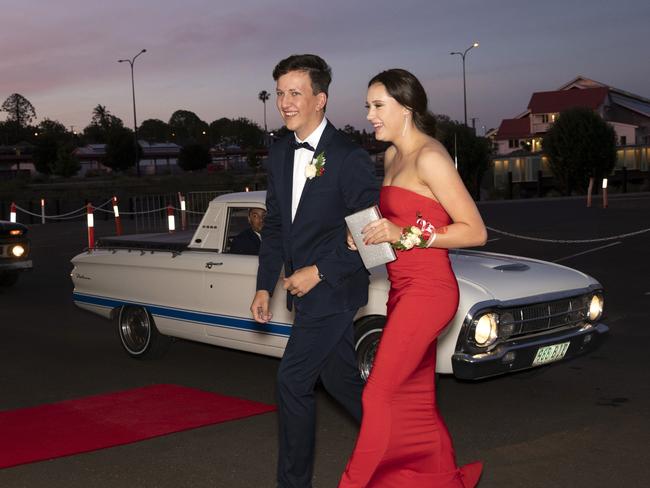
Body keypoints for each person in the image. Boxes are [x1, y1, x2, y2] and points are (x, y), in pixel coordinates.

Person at [338, 69, 487, 487]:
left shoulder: (430, 157)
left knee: (377, 392)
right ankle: (439, 479)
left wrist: (401, 234)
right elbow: (399, 222)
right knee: (414, 400)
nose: (369, 115)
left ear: (407, 108)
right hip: (401, 290)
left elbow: (474, 231)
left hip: (431, 291)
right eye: (368, 106)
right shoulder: (391, 156)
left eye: (378, 106)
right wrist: (367, 237)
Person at [250, 54, 379, 488]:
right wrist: (264, 286)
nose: (285, 102)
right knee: (340, 379)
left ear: (320, 99)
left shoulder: (349, 157)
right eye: (281, 93)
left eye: (295, 93)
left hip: (336, 289)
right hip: (300, 293)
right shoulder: (279, 152)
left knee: (292, 381)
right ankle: (399, 443)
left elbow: (372, 240)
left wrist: (319, 271)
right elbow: (273, 225)